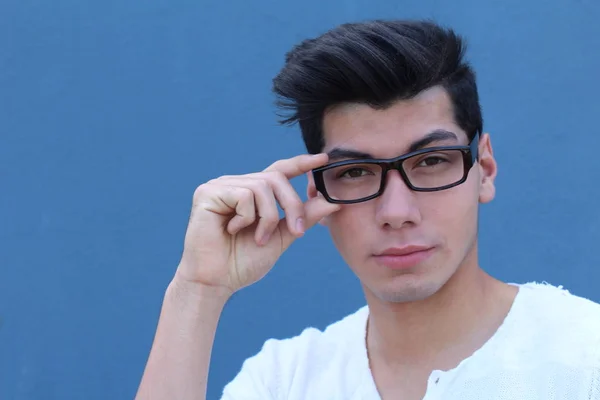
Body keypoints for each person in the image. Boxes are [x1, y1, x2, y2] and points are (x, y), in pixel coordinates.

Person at [135, 19, 600, 400]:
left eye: (432, 161)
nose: (396, 212)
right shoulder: (284, 381)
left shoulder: (585, 356)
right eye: (356, 172)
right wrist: (197, 290)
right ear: (316, 192)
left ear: (486, 168)